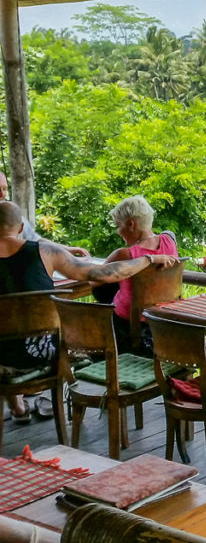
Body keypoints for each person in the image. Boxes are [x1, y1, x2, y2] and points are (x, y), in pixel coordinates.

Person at [0, 201, 178, 424]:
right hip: (42, 353)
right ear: (19, 228)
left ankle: (17, 405)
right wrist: (148, 258)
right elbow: (102, 273)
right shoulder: (46, 251)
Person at [100, 195, 179, 357]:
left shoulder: (124, 254)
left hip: (127, 326)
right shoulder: (169, 240)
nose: (118, 232)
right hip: (162, 320)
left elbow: (93, 277)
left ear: (131, 224)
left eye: (118, 225)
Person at [0, 171, 88, 256]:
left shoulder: (12, 214)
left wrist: (66, 249)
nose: (2, 194)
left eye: (4, 189)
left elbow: (36, 240)